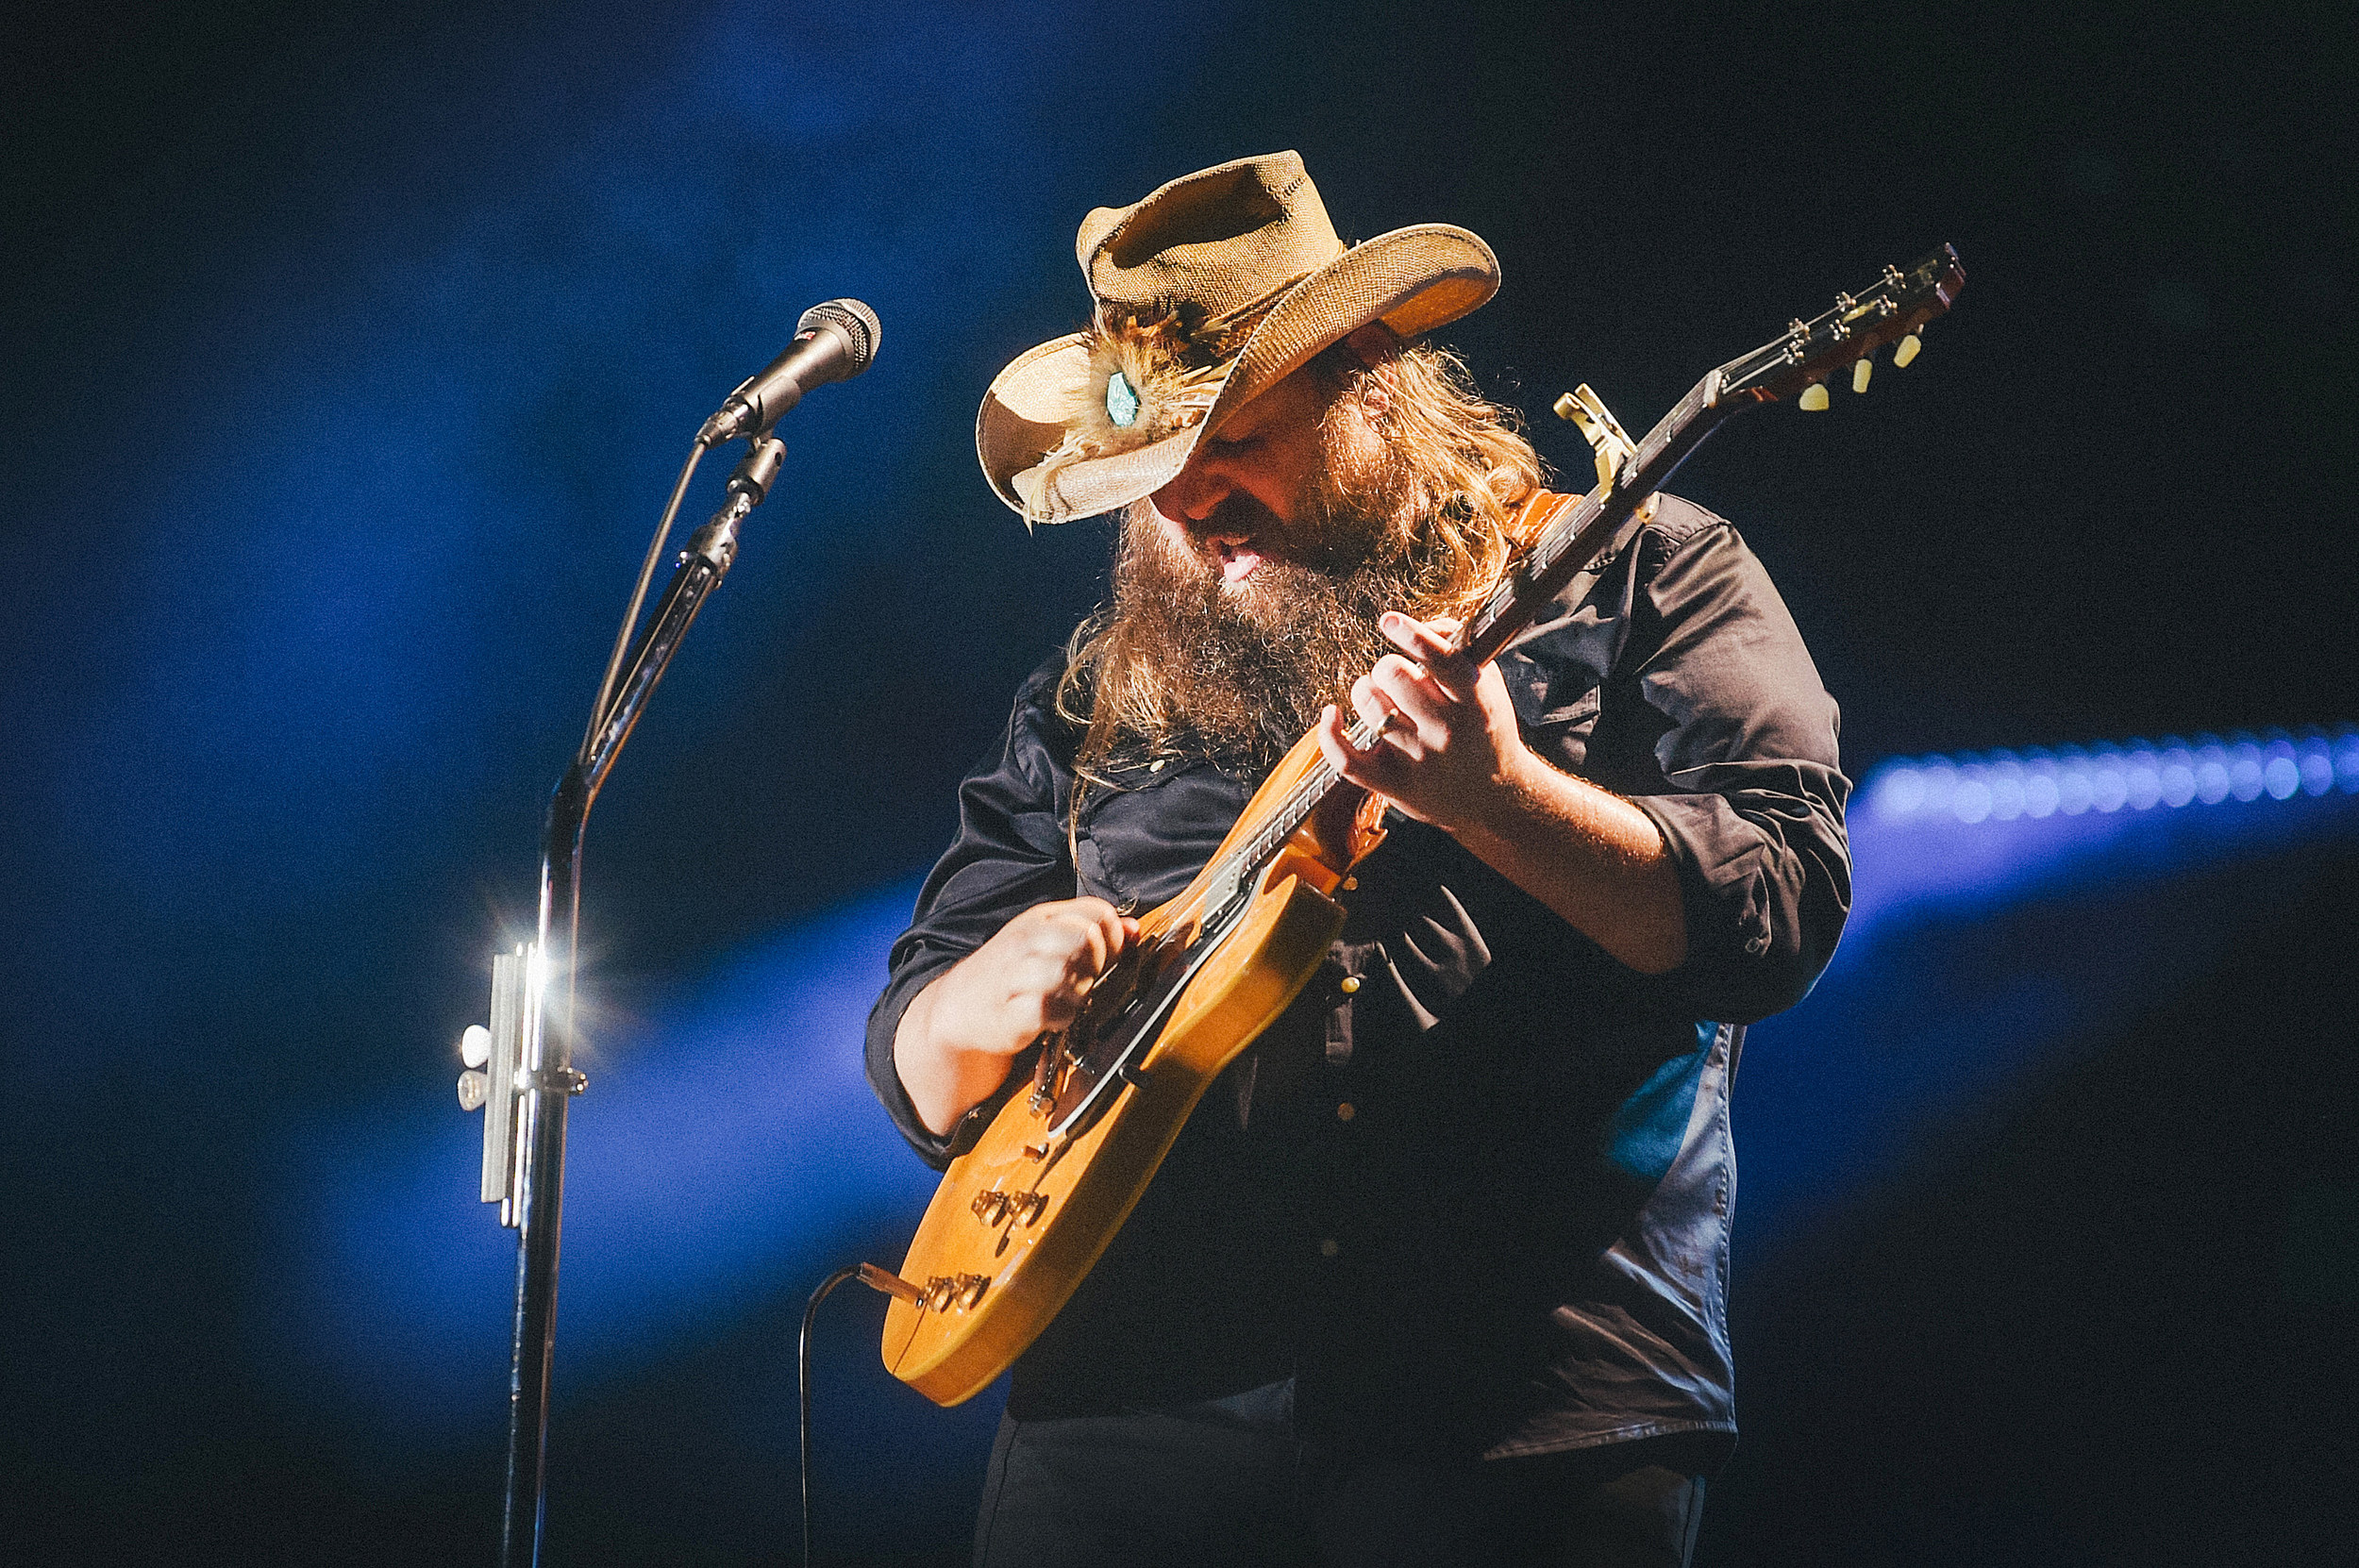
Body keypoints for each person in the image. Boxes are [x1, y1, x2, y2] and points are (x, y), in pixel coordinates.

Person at [864, 152, 1851, 1567]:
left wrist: (1499, 795)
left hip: (1516, 1415)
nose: (1191, 505)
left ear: (1369, 382)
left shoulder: (1645, 573)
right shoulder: (1088, 696)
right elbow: (917, 1035)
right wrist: (969, 1006)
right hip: (1121, 1411)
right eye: (1153, 477)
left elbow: (1781, 910)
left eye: (1236, 445)